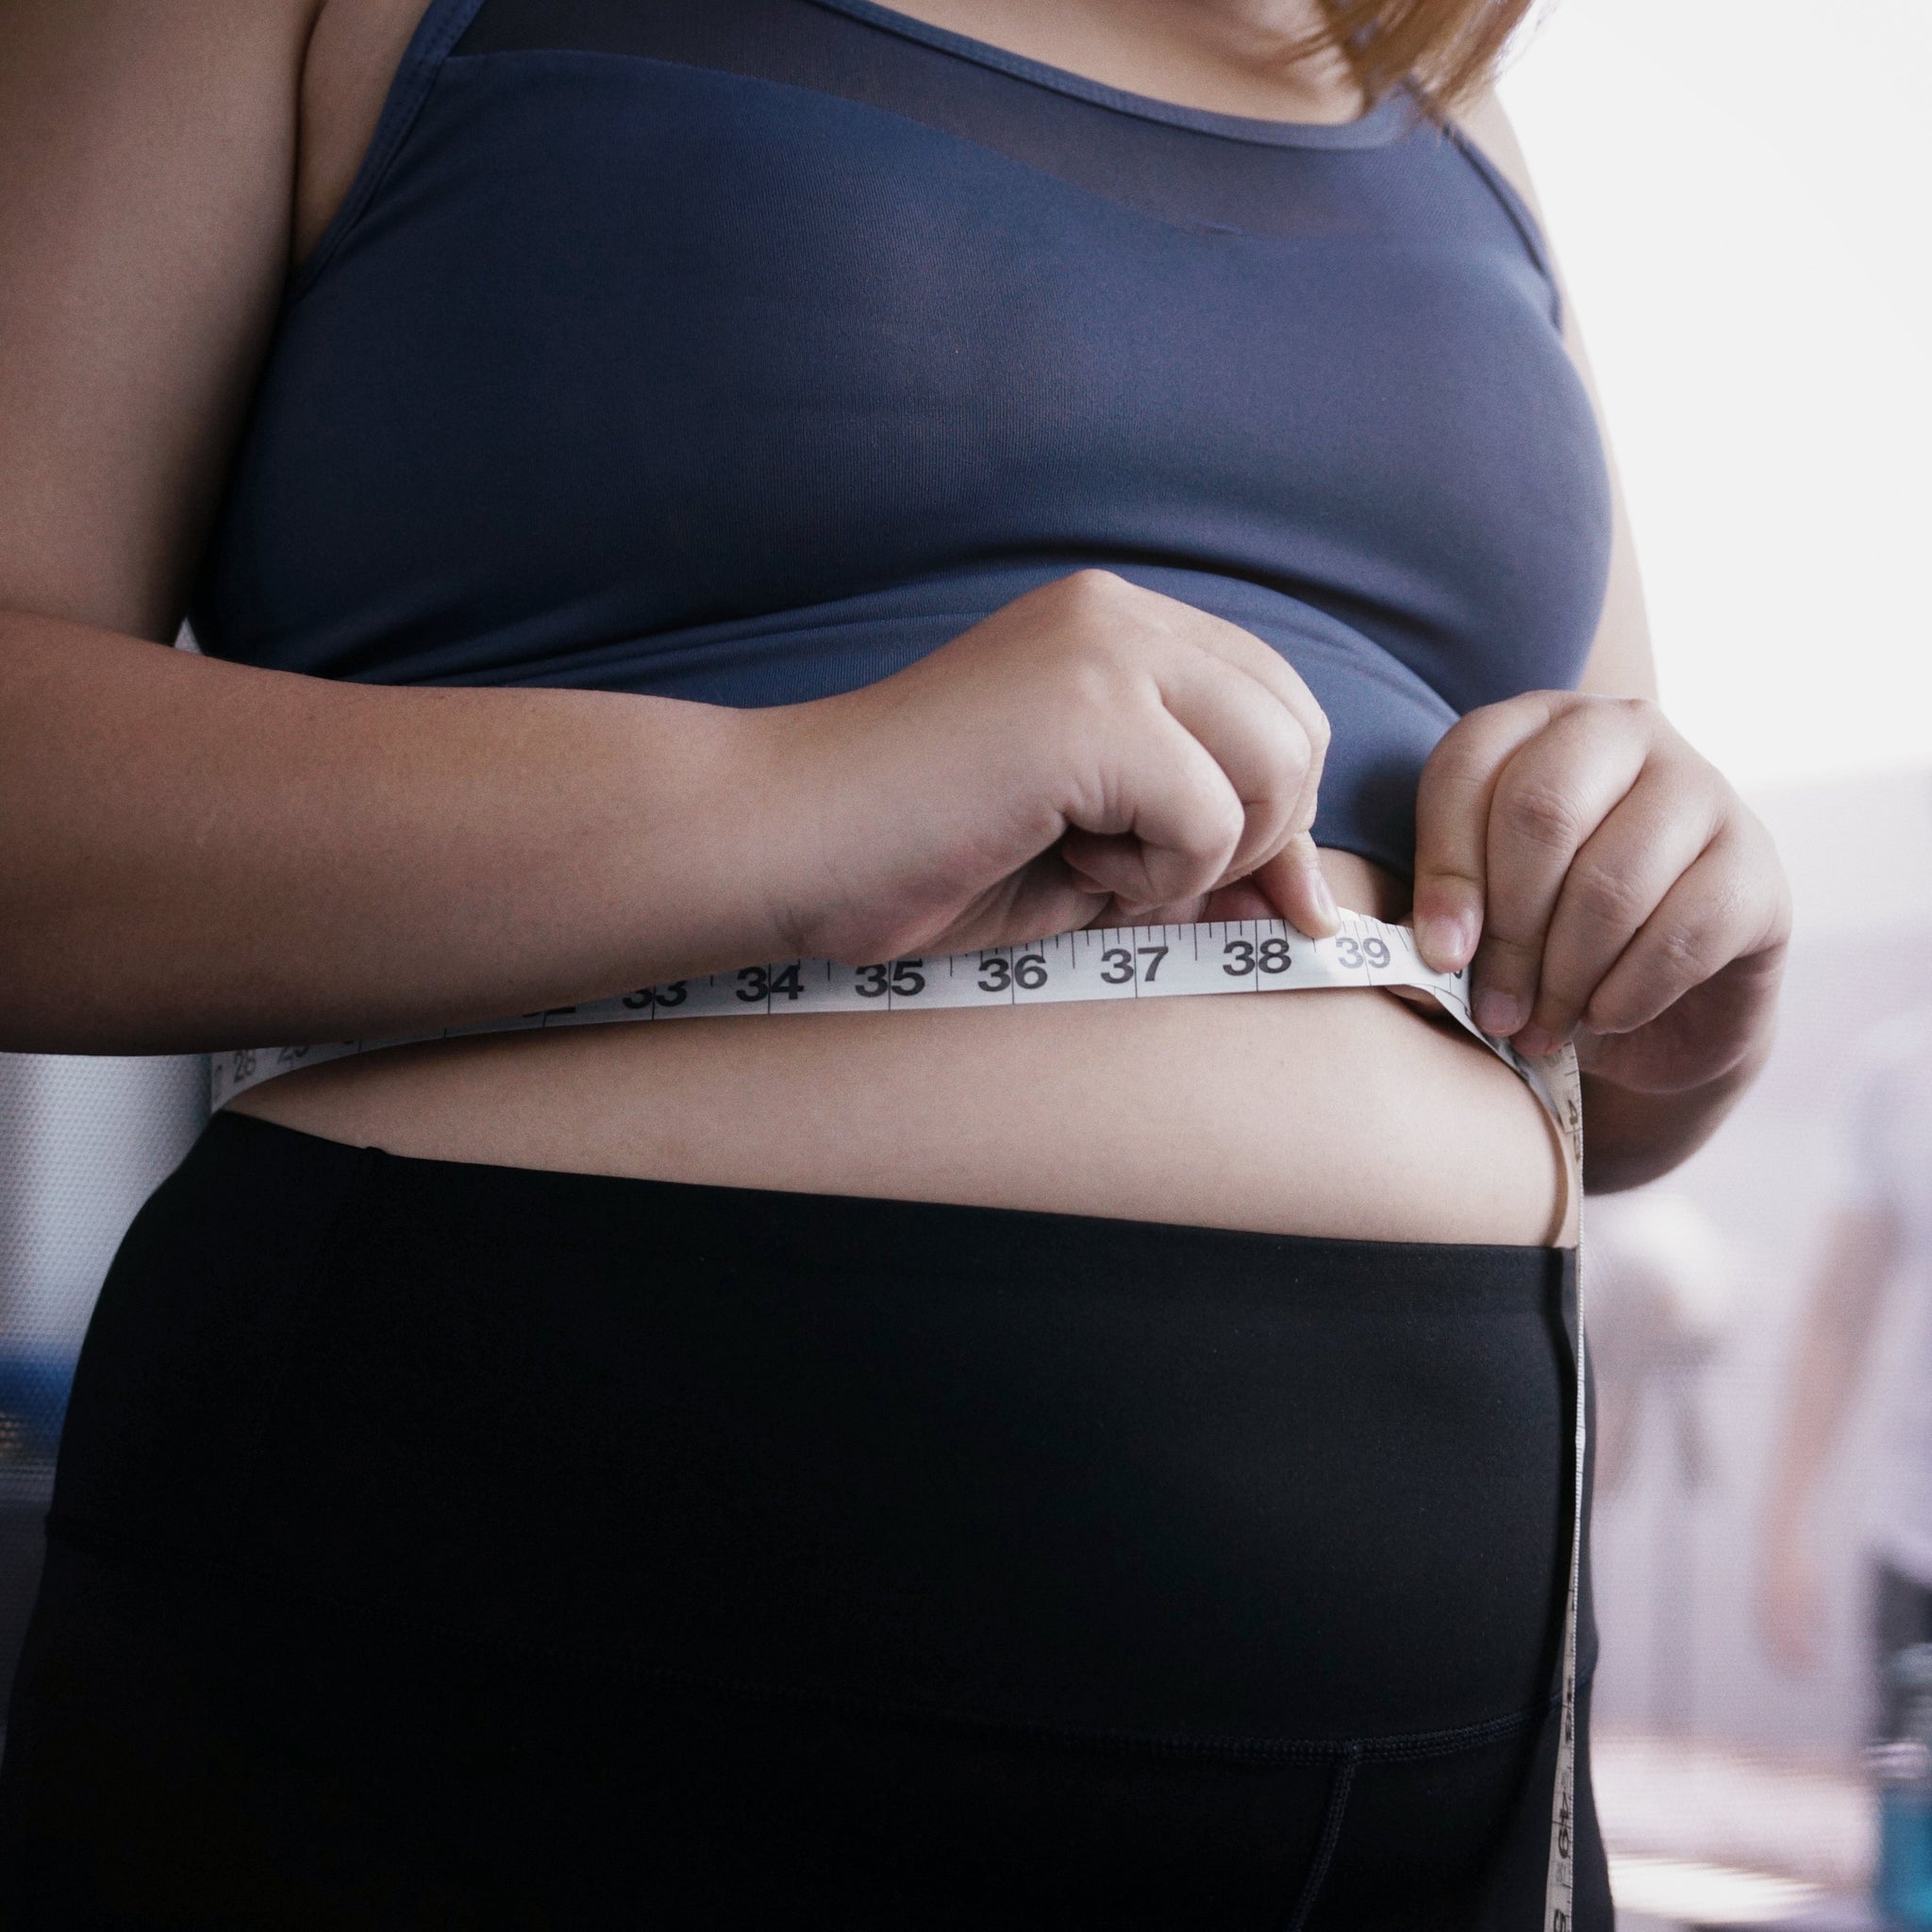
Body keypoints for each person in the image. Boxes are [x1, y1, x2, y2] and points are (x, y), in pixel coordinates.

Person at [0, 0, 1790, 1924]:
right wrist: (785, 799)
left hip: (1439, 1743)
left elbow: (1578, 993)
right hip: (520, 1623)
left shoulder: (1434, 95)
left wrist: (1673, 970)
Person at [1761, 1015, 1932, 1740]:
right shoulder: (1899, 1076)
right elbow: (1838, 1318)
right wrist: (1786, 1524)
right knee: (1911, 1848)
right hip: (1915, 1549)